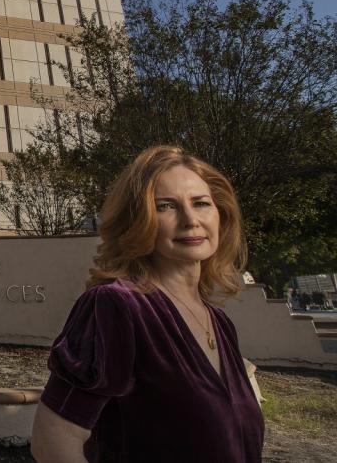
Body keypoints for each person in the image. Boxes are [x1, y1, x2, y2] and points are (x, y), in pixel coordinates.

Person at [31, 145, 264, 462]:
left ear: (221, 216)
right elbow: (53, 440)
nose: (190, 220)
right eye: (166, 206)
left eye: (201, 203)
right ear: (138, 220)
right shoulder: (117, 306)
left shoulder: (219, 321)